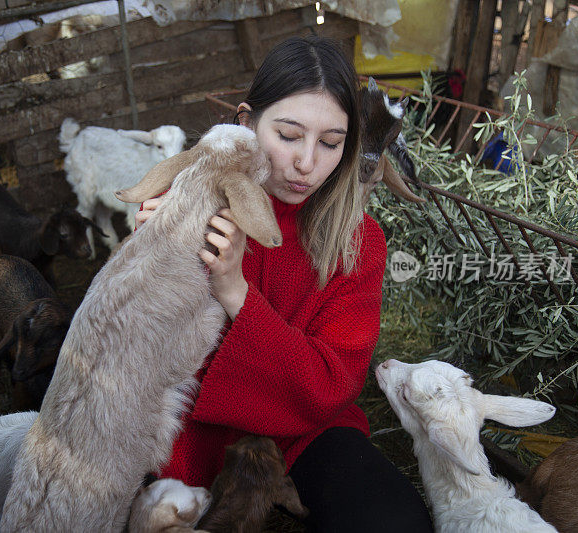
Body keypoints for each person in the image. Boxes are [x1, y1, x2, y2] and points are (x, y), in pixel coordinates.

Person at [135, 35, 433, 532]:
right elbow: (142, 344)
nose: (307, 163)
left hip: (304, 428)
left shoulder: (359, 243)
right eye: (289, 135)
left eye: (331, 143)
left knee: (395, 524)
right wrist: (151, 254)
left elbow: (331, 383)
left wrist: (236, 293)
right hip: (189, 424)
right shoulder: (185, 204)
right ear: (247, 123)